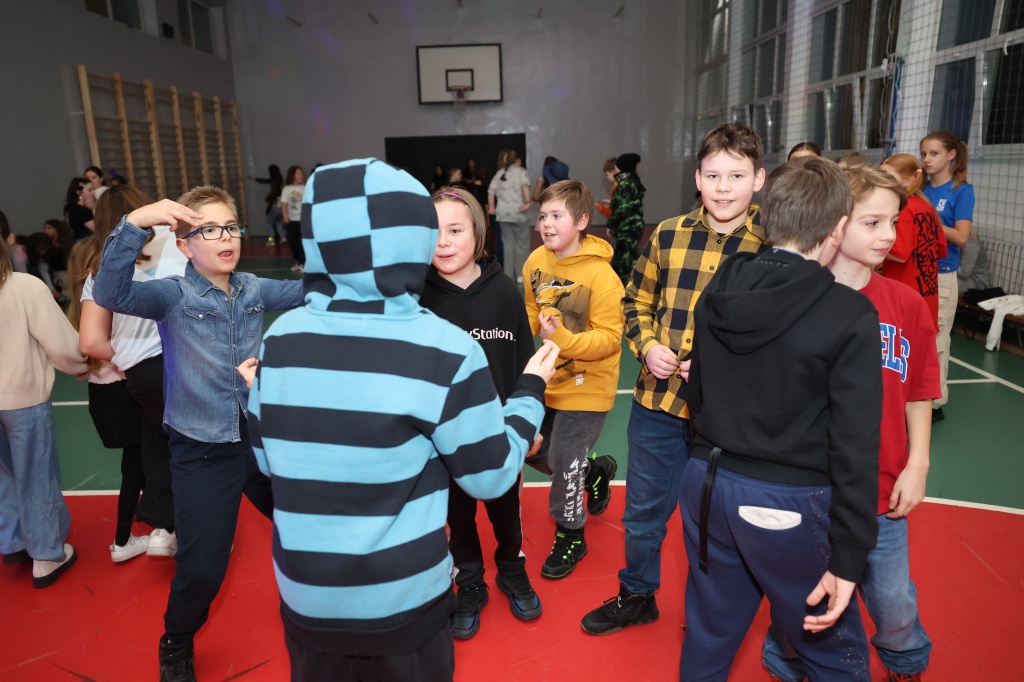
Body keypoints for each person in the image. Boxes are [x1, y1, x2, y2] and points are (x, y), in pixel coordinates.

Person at [244, 158, 558, 682]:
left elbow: (263, 464)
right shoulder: (440, 345)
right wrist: (529, 393)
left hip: (308, 600)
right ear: (412, 238)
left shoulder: (280, 338)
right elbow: (490, 476)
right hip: (402, 601)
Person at [680, 157, 882, 681]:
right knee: (834, 654)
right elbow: (855, 446)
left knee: (708, 636)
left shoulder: (719, 289)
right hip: (786, 502)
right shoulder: (849, 313)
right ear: (837, 228)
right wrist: (849, 557)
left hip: (706, 483)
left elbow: (695, 392)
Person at [92, 186, 305, 682]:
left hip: (257, 439)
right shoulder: (173, 295)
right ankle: (176, 641)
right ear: (184, 245)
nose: (225, 237)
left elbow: (314, 289)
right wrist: (136, 222)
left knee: (307, 520)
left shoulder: (253, 288)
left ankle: (331, 603)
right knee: (203, 567)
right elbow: (110, 294)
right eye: (208, 230)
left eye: (230, 227)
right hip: (202, 451)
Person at [581, 122, 768, 636]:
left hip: (729, 418)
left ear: (759, 179)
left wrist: (720, 366)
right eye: (713, 175)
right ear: (698, 178)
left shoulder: (771, 246)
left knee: (716, 521)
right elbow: (635, 301)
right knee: (643, 511)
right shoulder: (667, 234)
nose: (724, 187)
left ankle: (713, 611)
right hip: (658, 404)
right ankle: (638, 594)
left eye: (737, 175)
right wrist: (647, 346)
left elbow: (779, 334)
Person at [763, 165, 939, 682]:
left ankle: (905, 659)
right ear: (836, 225)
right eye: (873, 222)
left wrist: (919, 463)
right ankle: (786, 657)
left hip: (880, 492)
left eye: (894, 222)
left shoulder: (905, 304)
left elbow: (920, 389)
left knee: (892, 601)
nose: (889, 235)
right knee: (802, 596)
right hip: (808, 490)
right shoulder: (798, 300)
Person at [418, 185, 540, 639]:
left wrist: (533, 424)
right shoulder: (416, 298)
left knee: (506, 512)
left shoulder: (505, 292)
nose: (443, 242)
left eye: (455, 230)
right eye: (433, 231)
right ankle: (469, 580)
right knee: (459, 517)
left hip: (498, 433)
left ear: (479, 233)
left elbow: (526, 363)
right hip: (441, 440)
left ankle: (511, 566)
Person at [75, 185, 186, 562]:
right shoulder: (176, 245)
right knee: (196, 450)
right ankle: (192, 532)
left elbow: (91, 342)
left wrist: (126, 358)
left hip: (141, 374)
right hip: (182, 362)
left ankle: (165, 529)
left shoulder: (102, 270)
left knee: (156, 448)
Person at [522, 179, 624, 580]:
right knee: (527, 445)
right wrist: (525, 327)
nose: (546, 224)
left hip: (589, 385)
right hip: (549, 378)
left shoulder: (602, 277)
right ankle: (593, 473)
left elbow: (610, 339)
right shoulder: (536, 261)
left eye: (557, 216)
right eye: (542, 215)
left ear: (581, 221)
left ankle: (571, 534)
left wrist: (562, 338)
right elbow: (531, 307)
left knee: (565, 461)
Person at [0, 223, 87, 587]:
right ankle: (46, 555)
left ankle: (14, 541)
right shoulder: (24, 287)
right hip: (22, 399)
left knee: (4, 476)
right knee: (35, 475)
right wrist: (85, 364)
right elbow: (61, 343)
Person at [921, 130, 974, 423]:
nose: (927, 159)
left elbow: (962, 237)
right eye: (924, 154)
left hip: (942, 276)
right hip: (916, 274)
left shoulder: (961, 191)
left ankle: (935, 403)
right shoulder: (919, 188)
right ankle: (913, 397)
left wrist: (928, 220)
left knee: (937, 340)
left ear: (951, 155)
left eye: (934, 153)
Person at [880, 154, 948, 330]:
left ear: (908, 180)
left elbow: (901, 254)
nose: (882, 180)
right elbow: (941, 248)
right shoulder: (926, 206)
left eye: (888, 175)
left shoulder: (903, 208)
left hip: (904, 292)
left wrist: (868, 248)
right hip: (926, 292)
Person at [488, 148, 531, 283]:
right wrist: (528, 202)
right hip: (519, 213)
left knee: (508, 245)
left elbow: (491, 191)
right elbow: (525, 187)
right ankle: (520, 275)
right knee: (522, 244)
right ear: (516, 159)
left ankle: (508, 274)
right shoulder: (521, 172)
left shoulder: (499, 173)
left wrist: (492, 207)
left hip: (503, 214)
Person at [607, 153, 646, 283]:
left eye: (617, 166)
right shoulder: (634, 181)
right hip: (634, 226)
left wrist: (610, 224)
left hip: (626, 227)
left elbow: (621, 209)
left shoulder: (624, 184)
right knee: (630, 257)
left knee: (623, 262)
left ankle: (626, 289)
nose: (615, 168)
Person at [280, 165, 307, 272]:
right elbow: (284, 203)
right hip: (291, 220)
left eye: (302, 173)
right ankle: (297, 260)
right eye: (298, 173)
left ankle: (302, 263)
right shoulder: (287, 189)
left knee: (301, 242)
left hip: (303, 220)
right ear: (292, 176)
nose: (301, 175)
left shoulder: (305, 188)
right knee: (292, 241)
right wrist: (285, 215)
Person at [250, 164, 283, 246]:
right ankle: (283, 238)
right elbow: (266, 181)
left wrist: (254, 178)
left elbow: (265, 181)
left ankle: (271, 240)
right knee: (278, 222)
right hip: (281, 207)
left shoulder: (274, 188)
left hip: (276, 207)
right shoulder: (280, 180)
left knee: (269, 223)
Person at [64, 177, 96, 242]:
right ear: (79, 192)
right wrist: (93, 209)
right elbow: (96, 228)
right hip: (85, 243)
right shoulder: (76, 209)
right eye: (89, 190)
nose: (93, 192)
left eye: (93, 189)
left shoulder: (84, 207)